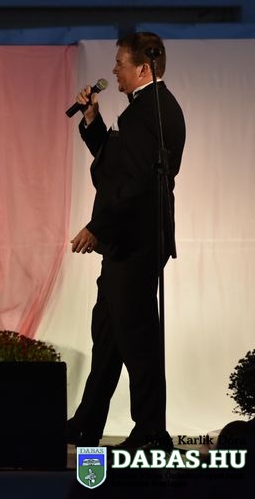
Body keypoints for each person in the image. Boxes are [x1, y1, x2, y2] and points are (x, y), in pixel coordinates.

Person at [67, 32, 186, 450]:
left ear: (143, 68)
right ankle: (86, 422)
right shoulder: (142, 110)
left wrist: (98, 226)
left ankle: (151, 432)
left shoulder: (152, 114)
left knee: (137, 340)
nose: (114, 70)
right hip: (126, 243)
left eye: (120, 63)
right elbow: (117, 166)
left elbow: (136, 186)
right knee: (109, 334)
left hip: (135, 243)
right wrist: (92, 121)